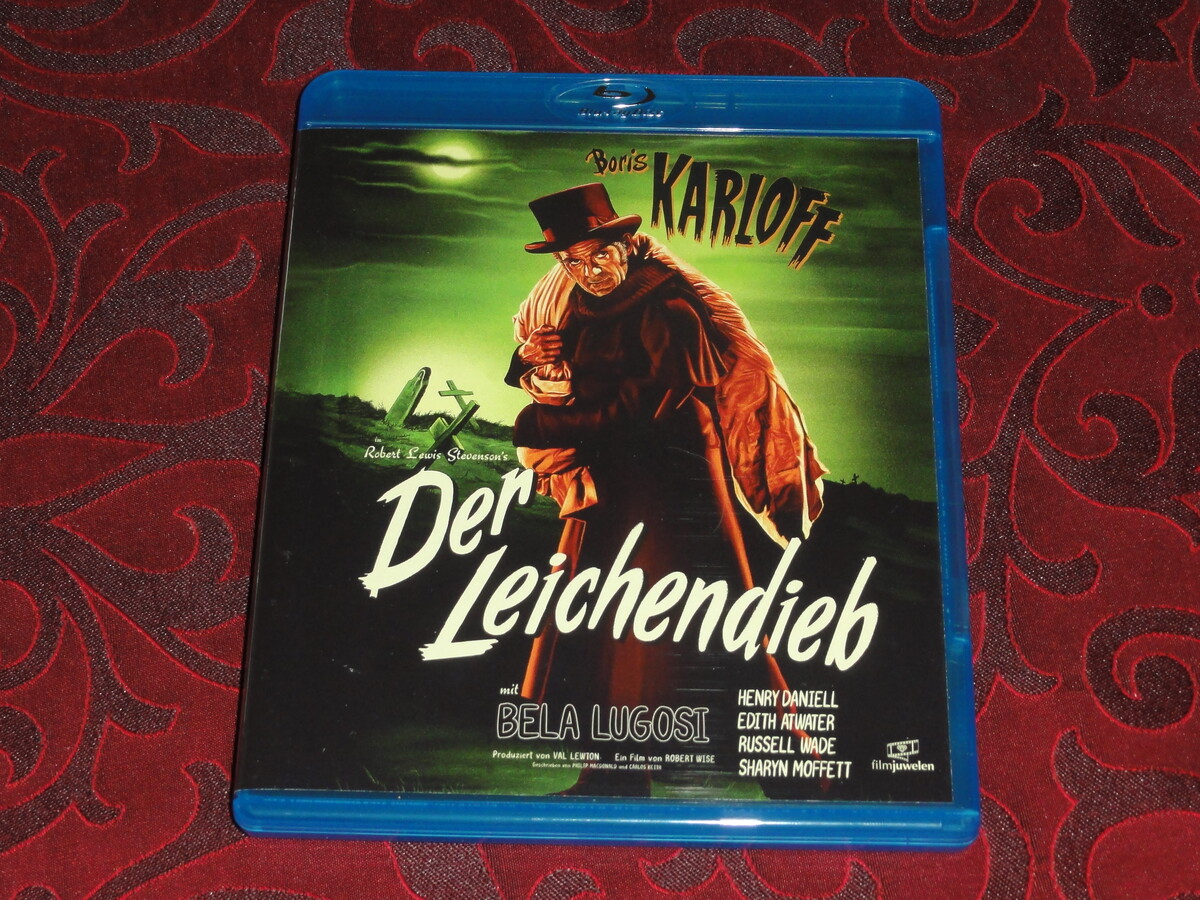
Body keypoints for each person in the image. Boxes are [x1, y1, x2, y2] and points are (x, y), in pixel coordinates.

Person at [507, 183, 825, 794]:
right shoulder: (576, 306)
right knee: (604, 620)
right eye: (572, 261)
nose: (589, 271)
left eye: (599, 255)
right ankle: (610, 774)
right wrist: (527, 360)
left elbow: (645, 406)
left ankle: (793, 774)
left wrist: (545, 426)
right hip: (614, 478)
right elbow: (568, 371)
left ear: (626, 245)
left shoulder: (669, 309)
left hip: (674, 483)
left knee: (702, 619)